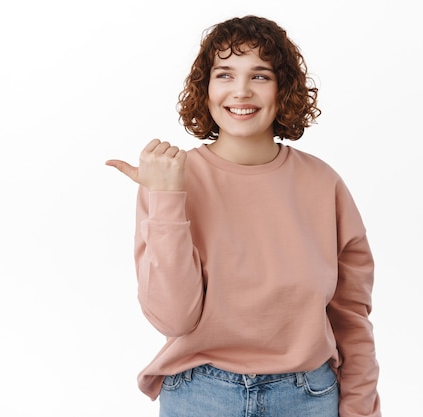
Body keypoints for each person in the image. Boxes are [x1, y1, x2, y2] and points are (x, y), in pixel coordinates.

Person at [106, 15, 381, 417]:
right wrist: (166, 197)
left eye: (260, 76)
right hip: (198, 396)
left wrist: (361, 409)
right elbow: (172, 318)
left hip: (307, 397)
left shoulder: (324, 185)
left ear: (282, 88)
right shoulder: (171, 180)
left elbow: (352, 317)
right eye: (224, 74)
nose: (240, 91)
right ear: (206, 87)